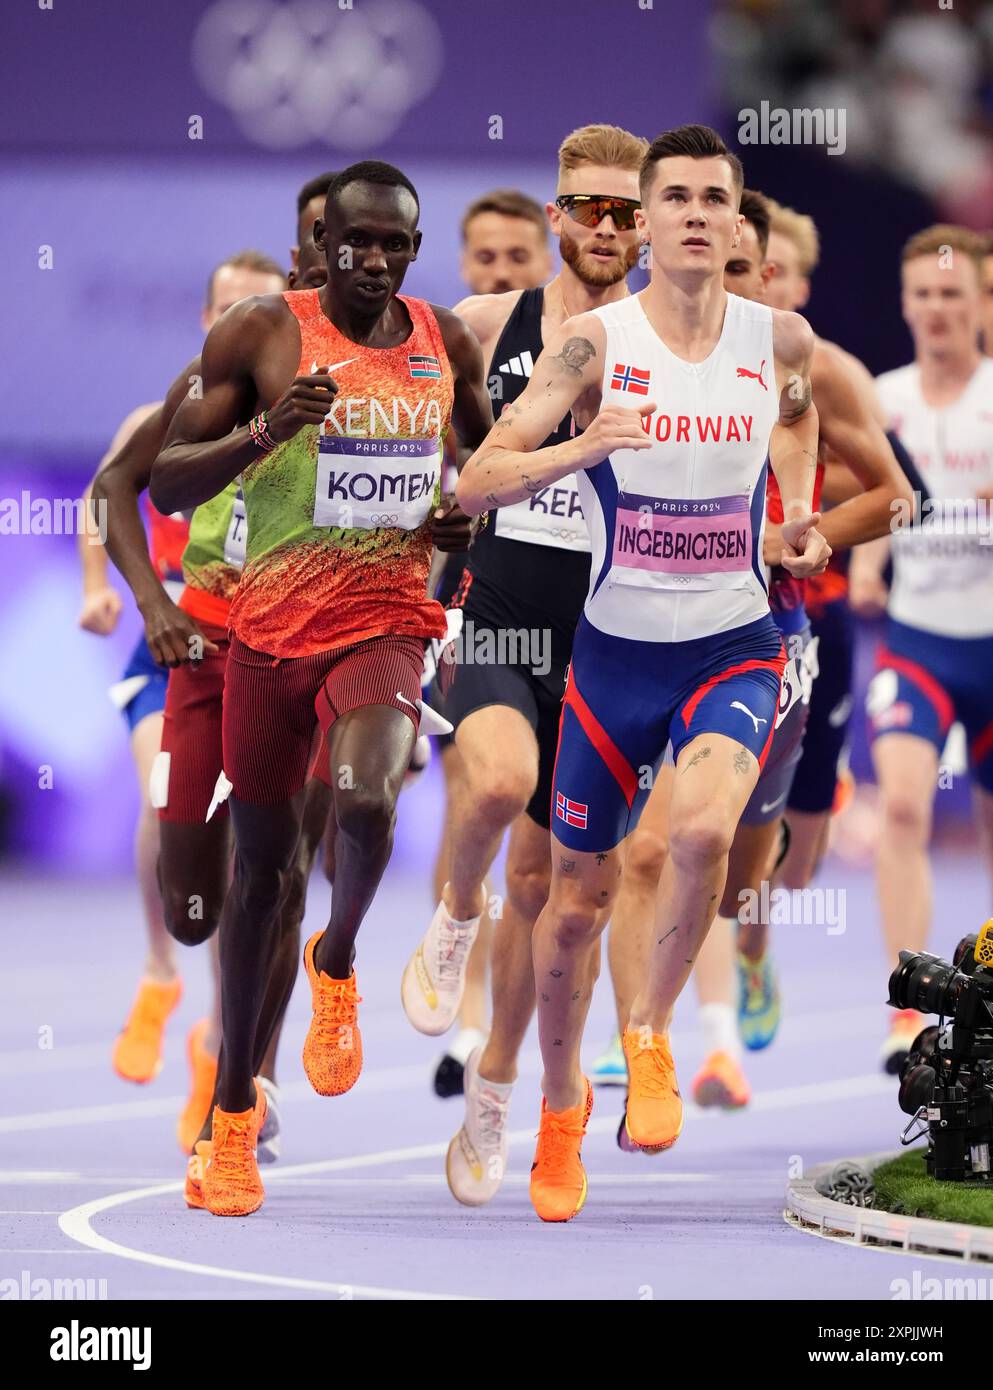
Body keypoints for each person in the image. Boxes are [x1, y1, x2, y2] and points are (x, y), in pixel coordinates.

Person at [457, 123, 831, 1223]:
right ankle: (562, 1106)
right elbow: (480, 479)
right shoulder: (595, 349)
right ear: (652, 220)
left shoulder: (784, 340)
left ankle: (653, 1031)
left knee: (706, 834)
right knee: (572, 904)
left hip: (733, 639)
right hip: (611, 653)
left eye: (717, 197)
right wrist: (585, 443)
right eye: (675, 198)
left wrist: (792, 520)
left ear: (737, 217)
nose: (697, 214)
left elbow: (798, 426)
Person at [151, 160, 492, 1217]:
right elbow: (166, 477)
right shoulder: (260, 334)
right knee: (254, 883)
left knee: (368, 795)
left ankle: (338, 960)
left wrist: (462, 518)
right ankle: (232, 1120)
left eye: (396, 244)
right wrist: (264, 432)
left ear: (414, 251)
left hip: (385, 620)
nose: (377, 261)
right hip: (263, 639)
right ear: (321, 243)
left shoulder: (447, 340)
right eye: (358, 243)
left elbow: (479, 451)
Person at [399, 125, 647, 1206]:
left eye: (622, 210)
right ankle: (452, 913)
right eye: (583, 206)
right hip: (500, 612)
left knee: (557, 899)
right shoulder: (490, 325)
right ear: (556, 216)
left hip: (609, 647)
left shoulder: (671, 341)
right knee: (494, 785)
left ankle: (516, 1096)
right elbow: (447, 471)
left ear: (644, 225)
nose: (603, 226)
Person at [78, 250, 287, 1089]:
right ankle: (159, 972)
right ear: (208, 322)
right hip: (171, 643)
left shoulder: (290, 419)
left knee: (239, 854)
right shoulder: (163, 410)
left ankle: (216, 1039)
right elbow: (106, 494)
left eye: (259, 310)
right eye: (228, 308)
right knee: (167, 800)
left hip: (261, 642)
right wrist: (100, 590)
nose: (241, 323)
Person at [849, 224, 993, 1072]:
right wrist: (867, 563)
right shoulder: (882, 395)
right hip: (915, 641)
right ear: (905, 304)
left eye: (953, 294)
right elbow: (877, 494)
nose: (937, 309)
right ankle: (909, 1008)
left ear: (980, 302)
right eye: (924, 295)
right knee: (900, 807)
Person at [431, 187, 554, 1098]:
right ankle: (460, 1002)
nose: (504, 272)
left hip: (585, 617)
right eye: (487, 258)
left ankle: (516, 1048)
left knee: (543, 854)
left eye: (519, 258)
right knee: (475, 791)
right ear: (466, 261)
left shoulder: (596, 340)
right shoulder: (460, 334)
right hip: (462, 598)